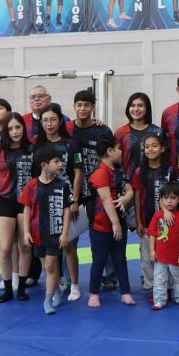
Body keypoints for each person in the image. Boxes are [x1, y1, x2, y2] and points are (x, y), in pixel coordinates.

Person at [36, 103, 85, 301]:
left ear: (60, 121)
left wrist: (74, 200)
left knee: (69, 245)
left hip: (67, 200)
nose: (49, 124)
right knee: (49, 247)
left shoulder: (71, 144)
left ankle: (74, 285)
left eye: (53, 119)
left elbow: (79, 172)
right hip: (45, 203)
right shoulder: (38, 145)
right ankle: (57, 283)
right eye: (45, 120)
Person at [0, 113, 35, 304]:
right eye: (11, 128)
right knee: (5, 248)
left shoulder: (32, 149)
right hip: (4, 201)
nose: (14, 132)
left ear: (24, 128)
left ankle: (21, 288)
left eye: (18, 127)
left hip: (25, 203)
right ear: (5, 130)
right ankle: (7, 289)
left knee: (25, 246)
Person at [68, 89, 115, 288]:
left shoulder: (103, 131)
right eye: (79, 105)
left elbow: (112, 158)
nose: (82, 108)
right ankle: (67, 280)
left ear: (93, 107)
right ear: (74, 106)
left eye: (87, 105)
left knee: (102, 235)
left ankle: (110, 276)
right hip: (74, 191)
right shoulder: (67, 129)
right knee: (69, 238)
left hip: (98, 191)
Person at [19, 146, 74, 315]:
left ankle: (47, 300)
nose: (60, 164)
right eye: (56, 161)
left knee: (50, 266)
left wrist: (65, 233)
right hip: (37, 234)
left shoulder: (63, 185)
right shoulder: (31, 186)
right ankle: (56, 290)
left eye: (60, 161)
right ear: (44, 165)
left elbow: (67, 210)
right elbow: (27, 209)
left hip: (55, 233)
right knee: (46, 266)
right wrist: (26, 231)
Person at [86, 135, 137, 307]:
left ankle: (126, 292)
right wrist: (115, 223)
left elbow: (130, 190)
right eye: (118, 149)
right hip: (100, 225)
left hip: (119, 222)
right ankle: (93, 293)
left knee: (120, 258)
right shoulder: (101, 172)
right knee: (99, 260)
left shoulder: (119, 169)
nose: (121, 151)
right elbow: (106, 199)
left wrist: (125, 199)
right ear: (110, 151)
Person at [133, 134, 176, 295]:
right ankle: (151, 285)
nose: (150, 149)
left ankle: (169, 286)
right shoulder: (140, 172)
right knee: (147, 256)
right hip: (147, 221)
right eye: (147, 147)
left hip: (167, 221)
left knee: (167, 254)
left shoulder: (170, 171)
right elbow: (137, 197)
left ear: (162, 149)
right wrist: (139, 222)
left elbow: (174, 195)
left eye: (154, 146)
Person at [148, 182, 179, 309]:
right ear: (161, 200)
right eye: (166, 198)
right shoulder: (157, 215)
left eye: (173, 198)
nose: (169, 201)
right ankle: (159, 300)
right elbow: (152, 234)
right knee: (159, 279)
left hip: (175, 256)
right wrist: (152, 251)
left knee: (178, 279)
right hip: (160, 257)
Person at [115, 92, 165, 184]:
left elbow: (165, 159)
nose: (136, 109)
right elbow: (115, 162)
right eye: (132, 105)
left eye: (140, 105)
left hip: (154, 183)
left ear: (147, 108)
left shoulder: (158, 132)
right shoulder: (121, 132)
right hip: (128, 184)